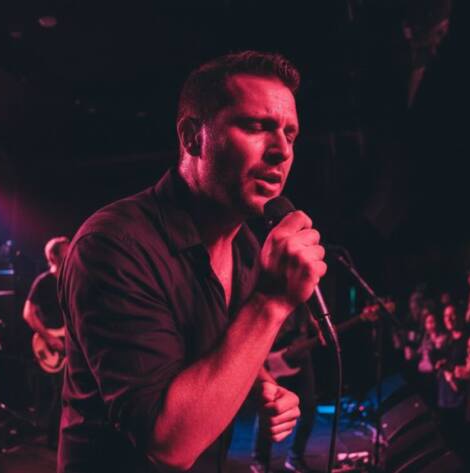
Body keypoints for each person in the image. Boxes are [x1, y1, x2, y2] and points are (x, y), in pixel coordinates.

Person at [58, 51, 325, 472]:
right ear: (192, 137)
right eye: (257, 127)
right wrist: (271, 302)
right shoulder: (113, 245)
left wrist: (262, 386)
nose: (281, 151)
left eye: (290, 134)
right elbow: (166, 445)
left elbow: (209, 347)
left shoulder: (245, 249)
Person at [252, 305, 318, 473]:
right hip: (273, 359)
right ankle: (260, 459)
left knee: (309, 408)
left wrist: (318, 330)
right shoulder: (274, 293)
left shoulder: (307, 300)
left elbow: (311, 325)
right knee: (270, 407)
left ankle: (296, 457)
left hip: (302, 360)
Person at [23, 236, 70, 449]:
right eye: (66, 251)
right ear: (54, 256)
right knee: (60, 393)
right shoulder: (43, 281)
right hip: (52, 343)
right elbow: (28, 313)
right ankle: (54, 438)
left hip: (69, 343)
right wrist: (49, 337)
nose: (71, 255)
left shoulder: (70, 281)